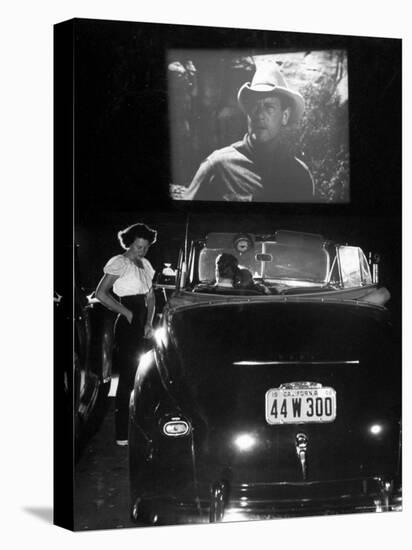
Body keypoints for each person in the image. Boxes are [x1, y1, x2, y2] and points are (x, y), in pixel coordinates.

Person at [182, 61, 314, 202]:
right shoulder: (217, 166)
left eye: (269, 107)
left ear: (285, 116)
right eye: (254, 106)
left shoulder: (299, 176)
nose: (259, 114)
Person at [96, 223, 157, 446]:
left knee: (146, 375)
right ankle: (122, 433)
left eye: (145, 247)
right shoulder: (119, 262)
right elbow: (101, 293)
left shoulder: (146, 264)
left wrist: (149, 322)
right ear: (129, 243)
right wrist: (126, 312)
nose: (142, 251)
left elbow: (151, 297)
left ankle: (140, 427)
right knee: (127, 378)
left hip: (143, 323)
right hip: (128, 322)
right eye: (138, 247)